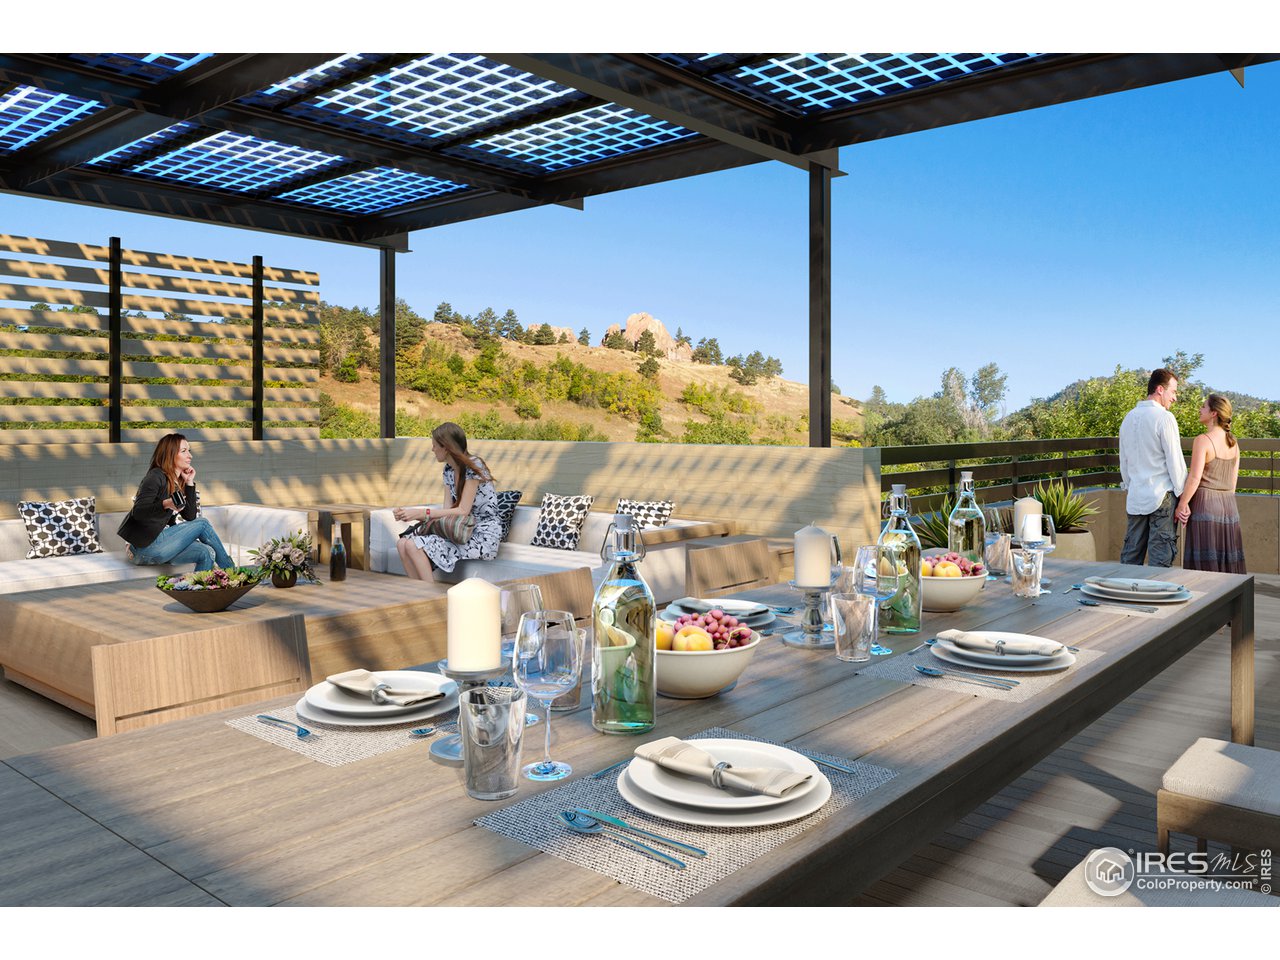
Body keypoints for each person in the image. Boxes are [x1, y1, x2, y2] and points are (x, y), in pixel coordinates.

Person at [394, 422, 500, 582]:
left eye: (435, 445)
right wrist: (411, 515)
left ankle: (431, 595)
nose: (432, 449)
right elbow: (447, 510)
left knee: (412, 545)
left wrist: (423, 512)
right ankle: (418, 593)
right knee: (402, 544)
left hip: (481, 534)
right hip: (459, 529)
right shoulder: (448, 470)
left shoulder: (474, 465)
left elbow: (463, 510)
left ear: (446, 447)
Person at [117, 433, 235, 572]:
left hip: (164, 545)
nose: (190, 456)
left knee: (207, 552)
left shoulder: (177, 482)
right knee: (203, 524)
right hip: (145, 547)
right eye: (184, 451)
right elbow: (138, 512)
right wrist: (165, 504)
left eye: (189, 451)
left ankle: (197, 585)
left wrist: (189, 482)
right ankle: (231, 572)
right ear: (170, 454)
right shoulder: (155, 476)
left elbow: (190, 516)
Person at [1118, 368, 1187, 567]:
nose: (1174, 398)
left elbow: (1124, 461)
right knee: (1160, 560)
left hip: (1136, 496)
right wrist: (1183, 498)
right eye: (1173, 392)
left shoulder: (1128, 418)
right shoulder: (1165, 418)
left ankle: (1125, 588)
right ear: (1160, 389)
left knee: (1131, 558)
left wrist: (1130, 486)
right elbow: (1175, 461)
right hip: (1161, 496)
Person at [1175, 394, 1245, 572]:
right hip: (1229, 506)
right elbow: (1233, 484)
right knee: (1227, 559)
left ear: (1214, 413)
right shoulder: (1234, 444)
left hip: (1205, 505)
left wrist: (1182, 504)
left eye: (1203, 406)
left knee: (1205, 562)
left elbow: (1194, 478)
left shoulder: (1203, 440)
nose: (1200, 410)